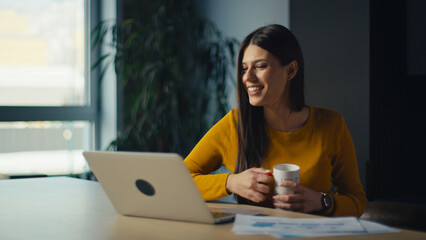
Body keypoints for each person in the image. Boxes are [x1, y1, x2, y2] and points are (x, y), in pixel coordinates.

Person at [184, 24, 367, 217]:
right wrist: (230, 182)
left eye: (260, 66)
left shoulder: (331, 125)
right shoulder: (234, 124)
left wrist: (322, 201)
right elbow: (179, 179)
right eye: (244, 68)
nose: (247, 77)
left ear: (291, 71)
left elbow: (357, 200)